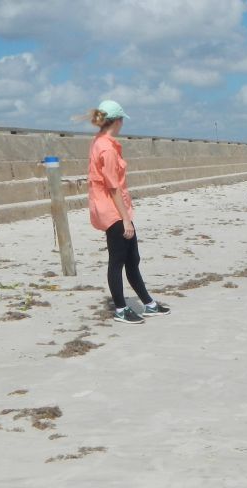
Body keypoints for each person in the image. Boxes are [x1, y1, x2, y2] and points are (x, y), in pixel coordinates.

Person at [87, 99, 170, 325]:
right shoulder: (106, 147)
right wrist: (125, 220)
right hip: (112, 211)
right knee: (118, 261)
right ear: (118, 121)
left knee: (133, 258)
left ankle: (149, 304)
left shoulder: (102, 142)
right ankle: (121, 309)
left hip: (115, 209)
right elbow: (113, 187)